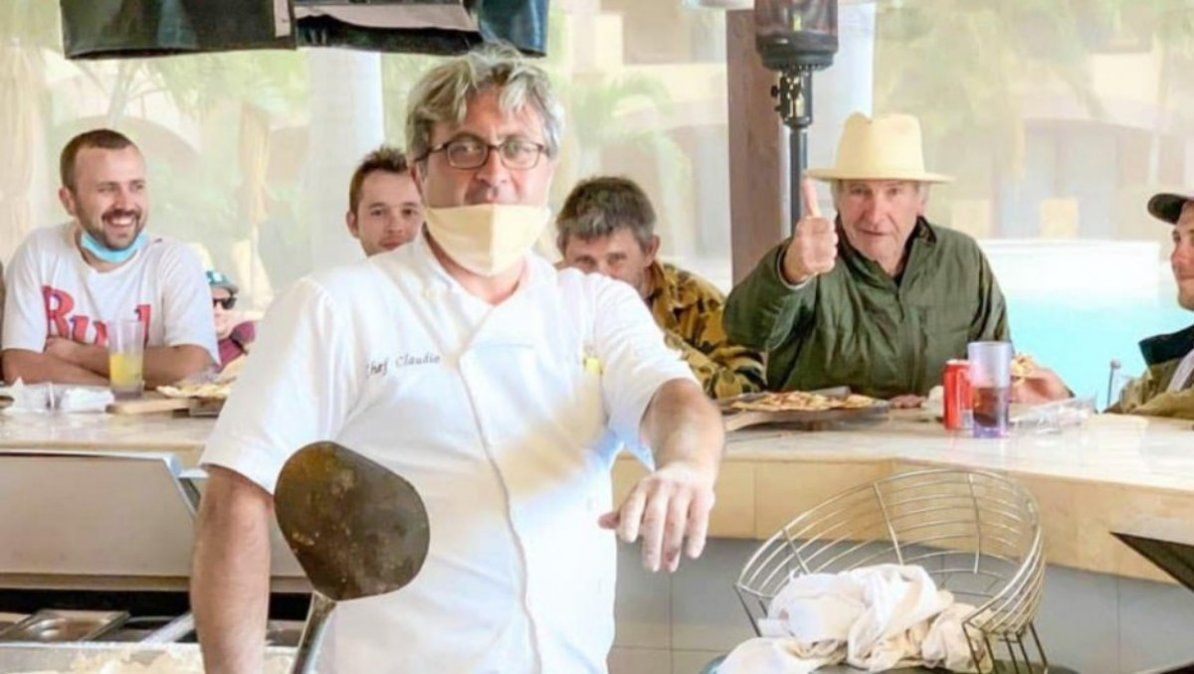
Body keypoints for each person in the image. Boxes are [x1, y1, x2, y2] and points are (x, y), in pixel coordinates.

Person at [191, 45, 723, 674]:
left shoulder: (592, 305)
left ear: (549, 168)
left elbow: (674, 399)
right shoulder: (337, 307)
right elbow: (237, 499)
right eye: (465, 148)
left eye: (519, 148)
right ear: (420, 172)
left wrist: (686, 467)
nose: (494, 172)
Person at [724, 112, 1009, 404]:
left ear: (920, 200)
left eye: (893, 192)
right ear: (837, 199)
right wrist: (790, 271)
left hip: (935, 443)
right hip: (821, 444)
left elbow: (997, 368)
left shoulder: (962, 259)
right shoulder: (808, 258)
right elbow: (745, 331)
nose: (874, 215)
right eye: (860, 192)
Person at [1, 129, 216, 388]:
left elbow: (190, 367)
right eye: (107, 189)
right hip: (55, 428)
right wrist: (119, 389)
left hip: (149, 428)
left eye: (136, 187)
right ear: (69, 201)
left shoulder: (175, 261)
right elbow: (19, 365)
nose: (126, 204)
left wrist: (78, 355)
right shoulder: (40, 251)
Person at [557, 175, 765, 399]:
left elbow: (749, 392)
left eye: (616, 259)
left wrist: (649, 338)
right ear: (562, 250)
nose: (600, 276)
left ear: (649, 250)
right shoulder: (539, 301)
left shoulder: (694, 299)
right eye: (585, 262)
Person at [1108, 191, 1194, 418]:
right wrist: (1060, 401)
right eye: (1177, 239)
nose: (1177, 258)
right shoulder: (1180, 362)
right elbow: (1106, 428)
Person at [344, 145, 424, 256]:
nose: (395, 227)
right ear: (353, 224)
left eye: (408, 212)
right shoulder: (336, 274)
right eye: (378, 213)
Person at [207, 270, 255, 373]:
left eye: (227, 303)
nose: (219, 311)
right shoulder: (185, 354)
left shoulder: (247, 334)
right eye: (208, 302)